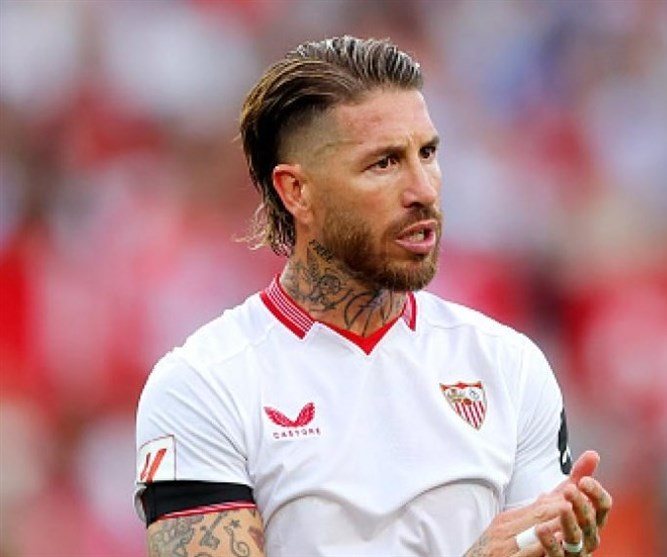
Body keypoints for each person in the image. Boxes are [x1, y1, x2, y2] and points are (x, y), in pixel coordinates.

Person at [134, 35, 612, 557]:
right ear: (297, 191)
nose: (423, 190)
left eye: (427, 154)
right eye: (384, 163)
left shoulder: (508, 366)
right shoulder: (203, 386)